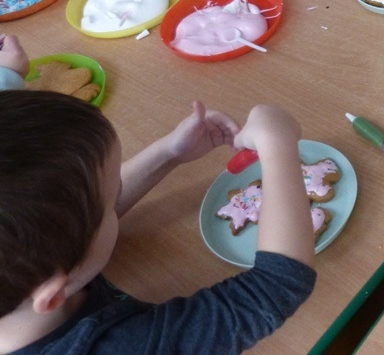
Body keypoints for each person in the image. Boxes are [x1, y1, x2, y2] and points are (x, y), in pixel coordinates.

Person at [0, 78, 317, 353]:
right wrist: (277, 143)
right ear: (52, 295)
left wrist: (169, 153)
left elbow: (77, 220)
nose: (117, 197)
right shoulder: (123, 347)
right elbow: (275, 286)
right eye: (113, 197)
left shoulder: (28, 275)